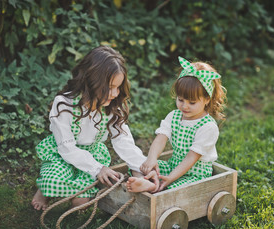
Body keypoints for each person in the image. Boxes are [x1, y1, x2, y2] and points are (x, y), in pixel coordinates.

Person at [31, 46, 157, 210]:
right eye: (110, 87)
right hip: (63, 153)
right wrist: (98, 169)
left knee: (80, 204)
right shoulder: (64, 105)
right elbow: (66, 147)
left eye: (118, 87)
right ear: (91, 82)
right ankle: (44, 189)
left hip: (91, 154)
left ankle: (74, 190)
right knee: (52, 181)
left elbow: (123, 141)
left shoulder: (111, 107)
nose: (115, 94)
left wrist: (141, 166)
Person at [126, 56, 226, 192]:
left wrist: (170, 178)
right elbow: (160, 139)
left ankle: (152, 185)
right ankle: (146, 180)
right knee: (136, 164)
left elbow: (191, 158)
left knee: (173, 188)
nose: (185, 106)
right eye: (180, 99)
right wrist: (151, 159)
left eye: (192, 102)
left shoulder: (208, 127)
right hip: (173, 165)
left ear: (207, 99)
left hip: (195, 173)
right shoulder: (174, 116)